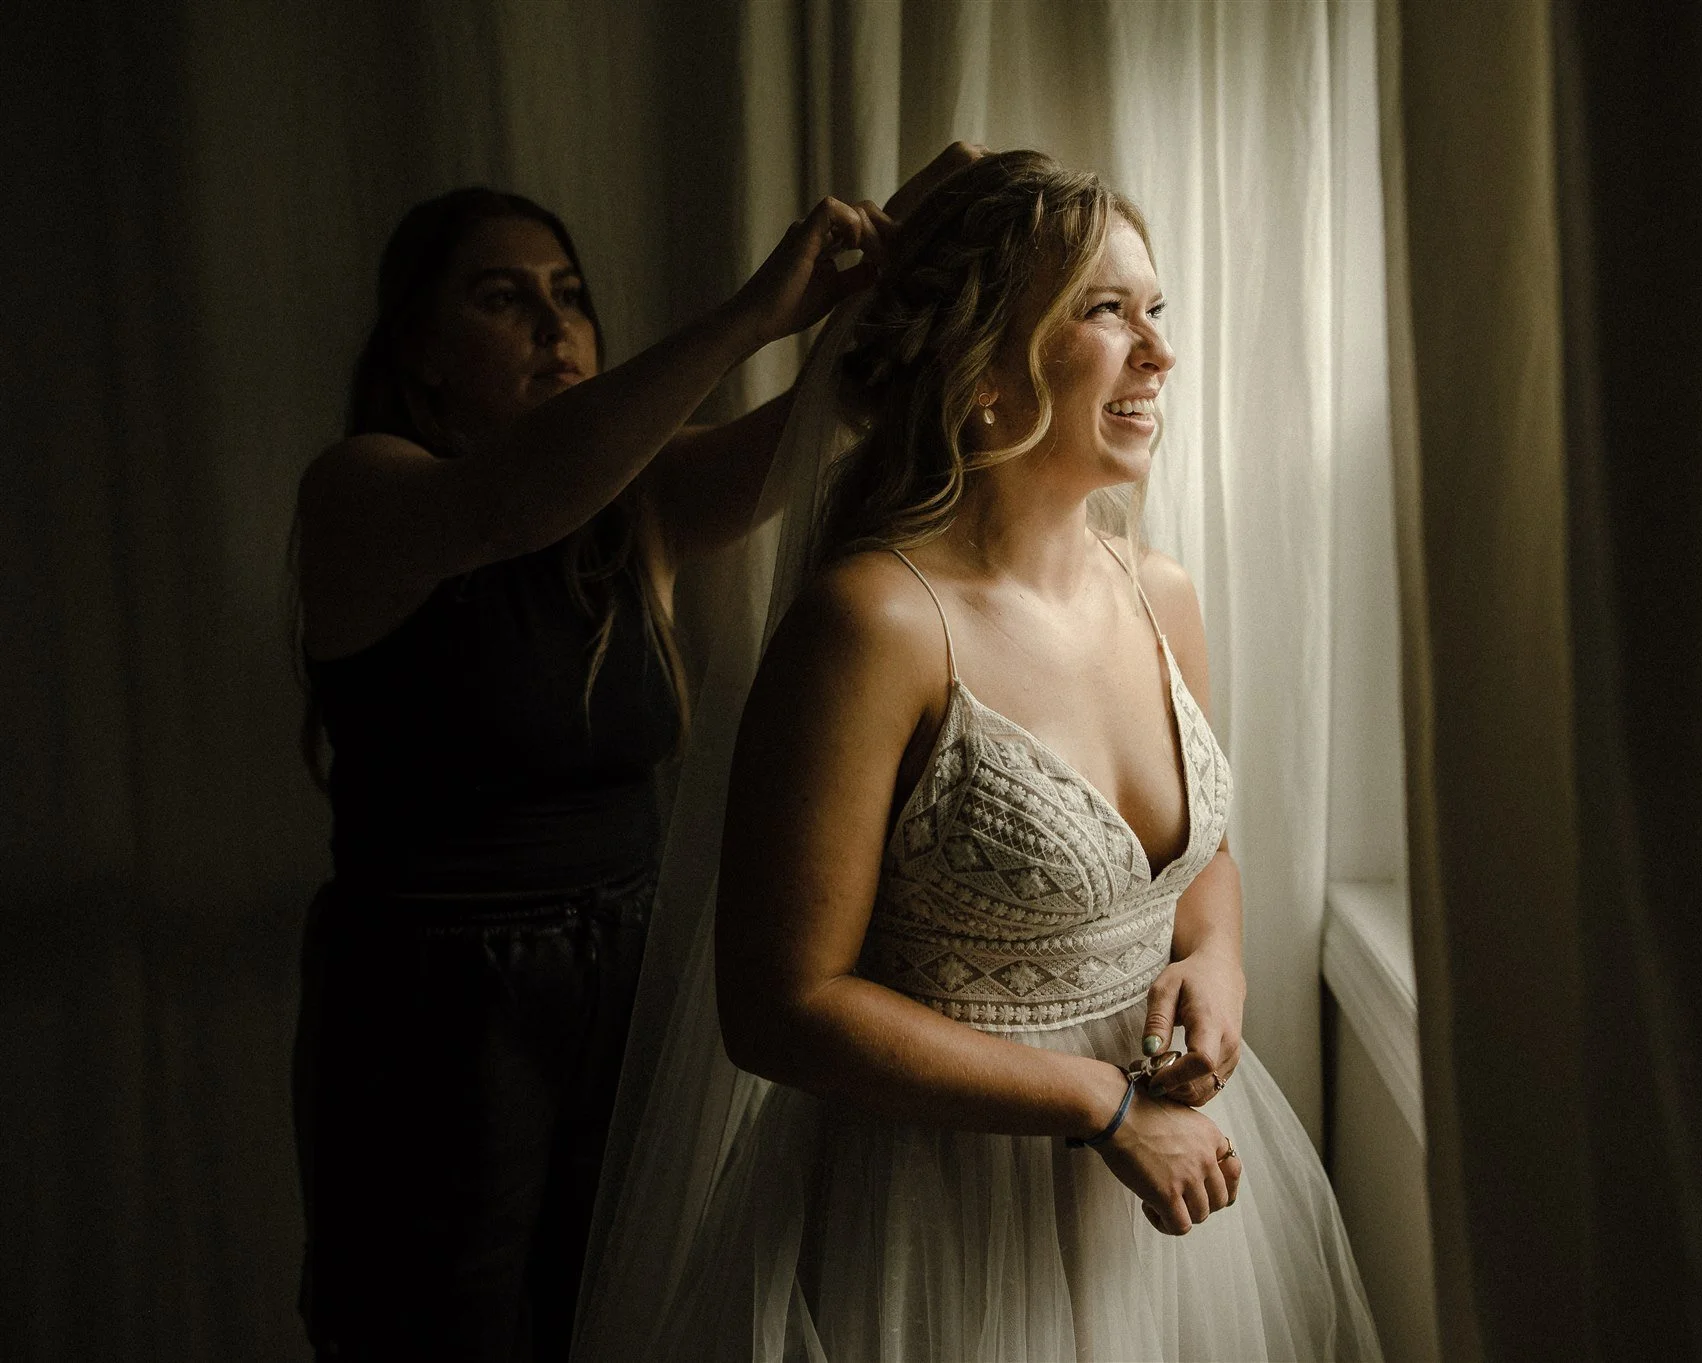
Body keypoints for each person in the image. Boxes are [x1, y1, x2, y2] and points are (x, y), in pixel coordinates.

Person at [577, 149, 1379, 1361]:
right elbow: (779, 1009)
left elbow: (1196, 858)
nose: (1159, 353)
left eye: (1155, 309)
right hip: (936, 1232)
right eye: (1105, 312)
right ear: (987, 373)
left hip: (1164, 1213)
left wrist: (1216, 963)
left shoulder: (1158, 591)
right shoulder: (874, 625)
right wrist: (1100, 1104)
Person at [290, 147, 974, 1361]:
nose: (554, 323)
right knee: (435, 1333)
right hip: (436, 1010)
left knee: (614, 1317)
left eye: (569, 295)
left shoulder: (635, 506)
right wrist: (755, 313)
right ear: (420, 350)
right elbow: (508, 506)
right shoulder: (360, 490)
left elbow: (823, 417)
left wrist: (912, 251)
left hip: (629, 976)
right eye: (501, 297)